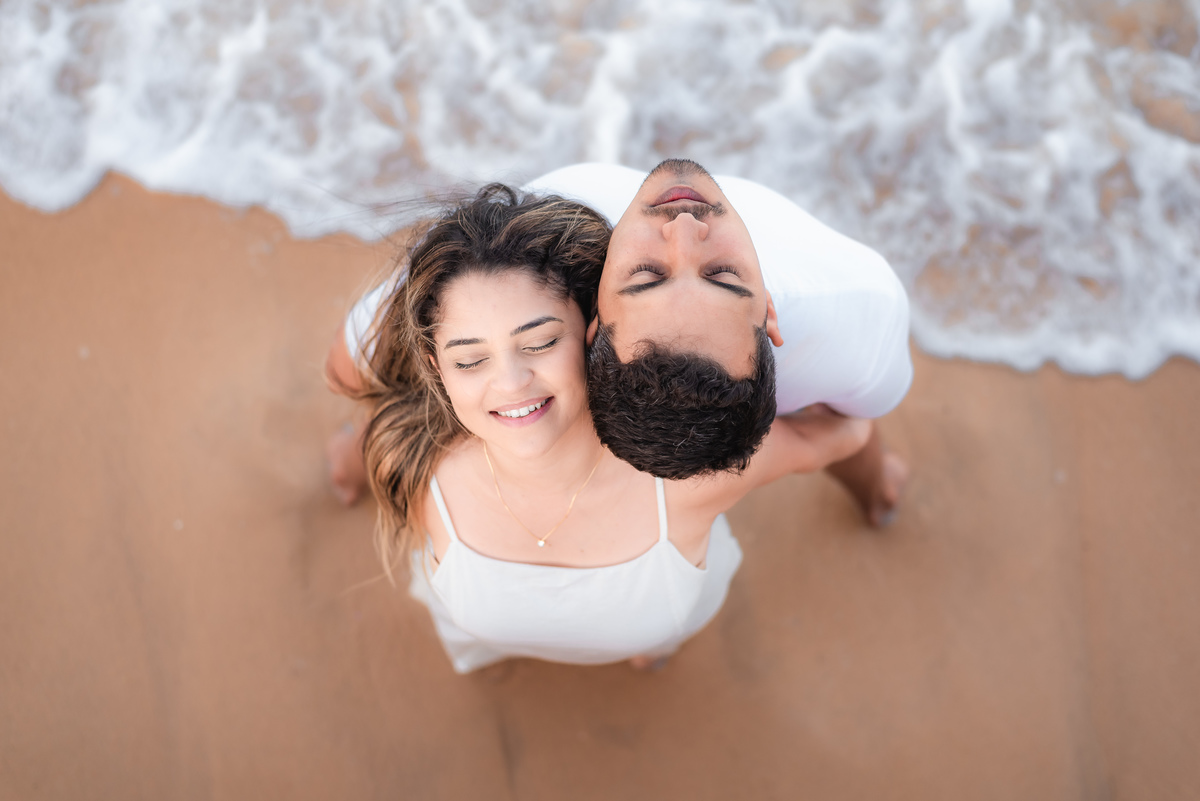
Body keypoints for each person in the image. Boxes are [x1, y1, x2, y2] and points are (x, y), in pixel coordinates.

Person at [327, 184, 870, 673]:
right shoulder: (411, 454)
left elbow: (843, 435)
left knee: (652, 645)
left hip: (650, 631)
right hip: (487, 633)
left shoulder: (685, 473)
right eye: (470, 360)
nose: (511, 383)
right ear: (436, 365)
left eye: (540, 342)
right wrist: (350, 466)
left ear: (596, 334)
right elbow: (372, 425)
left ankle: (647, 646)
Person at [330, 159, 911, 524]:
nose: (685, 227)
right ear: (594, 320)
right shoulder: (542, 251)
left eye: (649, 275)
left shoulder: (856, 318)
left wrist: (872, 477)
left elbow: (856, 409)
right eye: (649, 276)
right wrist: (375, 448)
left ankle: (877, 494)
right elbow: (361, 362)